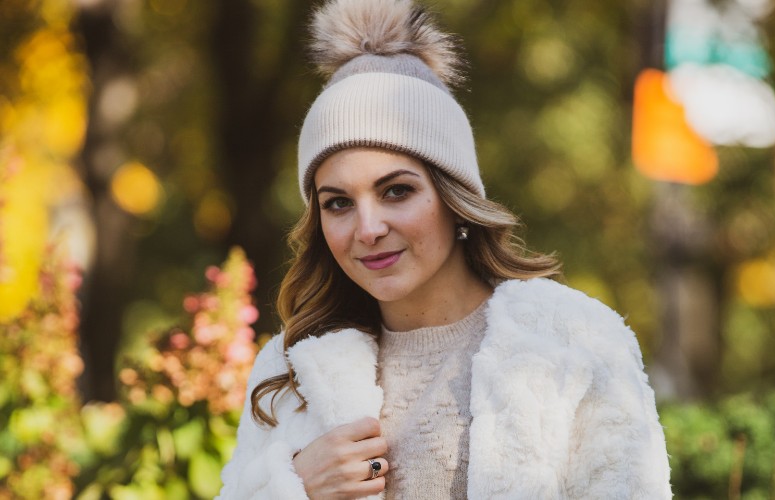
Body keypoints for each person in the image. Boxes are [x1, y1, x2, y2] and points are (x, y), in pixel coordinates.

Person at [218, 0, 672, 498]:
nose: (368, 229)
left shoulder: (574, 341)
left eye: (397, 191)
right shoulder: (288, 371)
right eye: (339, 203)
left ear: (455, 200)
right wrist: (294, 487)